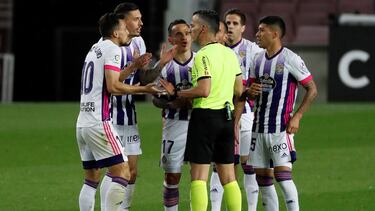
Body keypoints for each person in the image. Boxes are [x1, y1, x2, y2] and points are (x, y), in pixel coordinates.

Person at [76, 12, 161, 211]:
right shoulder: (113, 49)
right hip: (99, 121)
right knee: (123, 172)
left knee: (91, 179)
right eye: (123, 28)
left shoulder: (95, 48)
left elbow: (110, 79)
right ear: (115, 32)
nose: (126, 33)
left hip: (83, 122)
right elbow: (114, 87)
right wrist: (144, 89)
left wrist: (133, 67)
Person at [160, 10, 243, 211]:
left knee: (198, 177)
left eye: (193, 25)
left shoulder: (202, 56)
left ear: (204, 28)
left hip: (205, 117)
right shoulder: (230, 54)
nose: (191, 29)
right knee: (229, 177)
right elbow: (239, 89)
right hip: (227, 117)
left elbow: (203, 91)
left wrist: (178, 92)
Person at [99, 3, 176, 211]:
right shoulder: (109, 45)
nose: (141, 23)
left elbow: (142, 78)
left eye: (141, 18)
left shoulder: (138, 42)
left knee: (131, 172)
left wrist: (160, 64)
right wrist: (134, 70)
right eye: (136, 19)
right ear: (122, 21)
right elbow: (112, 84)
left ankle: (123, 208)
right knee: (116, 171)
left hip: (128, 115)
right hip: (109, 116)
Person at [239, 16, 317, 211]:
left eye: (261, 30)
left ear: (274, 34)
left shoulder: (290, 58)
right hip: (258, 128)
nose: (257, 34)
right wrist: (249, 91)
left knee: (283, 177)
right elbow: (250, 89)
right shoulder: (257, 59)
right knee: (263, 180)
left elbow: (312, 89)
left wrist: (297, 116)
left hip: (280, 128)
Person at [210, 8, 266, 211]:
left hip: (247, 114)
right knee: (220, 164)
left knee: (248, 164)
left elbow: (262, 82)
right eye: (228, 23)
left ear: (243, 27)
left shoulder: (254, 51)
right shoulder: (214, 50)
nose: (231, 27)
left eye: (235, 23)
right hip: (218, 112)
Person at [152, 19, 195, 211]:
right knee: (172, 175)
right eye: (178, 34)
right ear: (171, 39)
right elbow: (156, 99)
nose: (184, 37)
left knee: (199, 176)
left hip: (199, 124)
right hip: (174, 124)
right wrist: (169, 100)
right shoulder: (165, 67)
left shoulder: (202, 61)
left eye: (187, 33)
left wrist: (180, 97)